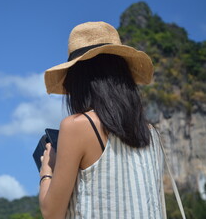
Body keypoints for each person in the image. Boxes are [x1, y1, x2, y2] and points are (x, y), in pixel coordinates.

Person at [39, 21, 165, 219]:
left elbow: (52, 213)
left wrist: (47, 171)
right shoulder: (152, 134)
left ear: (78, 80)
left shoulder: (78, 126)